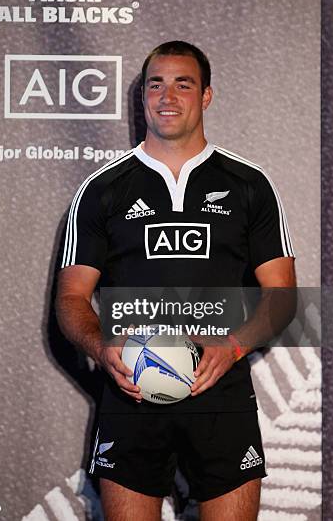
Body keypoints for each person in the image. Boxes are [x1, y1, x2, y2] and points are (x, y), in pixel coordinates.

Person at [56, 41, 296, 520]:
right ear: (142, 97)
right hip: (132, 396)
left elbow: (283, 297)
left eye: (182, 84)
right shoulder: (102, 189)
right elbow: (71, 297)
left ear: (206, 96)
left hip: (220, 395)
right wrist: (102, 347)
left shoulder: (250, 184)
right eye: (155, 84)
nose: (167, 96)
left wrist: (232, 348)